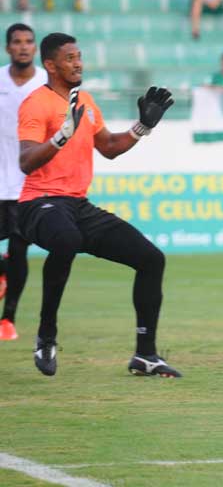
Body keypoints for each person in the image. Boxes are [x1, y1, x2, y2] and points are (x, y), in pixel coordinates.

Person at [17, 32, 178, 376]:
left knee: (151, 259)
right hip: (39, 203)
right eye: (70, 58)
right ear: (50, 65)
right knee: (67, 240)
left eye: (79, 57)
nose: (78, 63)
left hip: (77, 205)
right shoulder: (35, 103)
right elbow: (27, 162)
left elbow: (109, 147)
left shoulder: (85, 103)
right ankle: (47, 334)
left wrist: (142, 126)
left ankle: (145, 356)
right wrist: (61, 134)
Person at [0, 24, 46, 341]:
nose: (23, 47)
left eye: (29, 42)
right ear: (8, 48)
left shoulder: (46, 82)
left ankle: (8, 320)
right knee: (10, 259)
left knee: (19, 250)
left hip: (27, 183)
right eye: (17, 42)